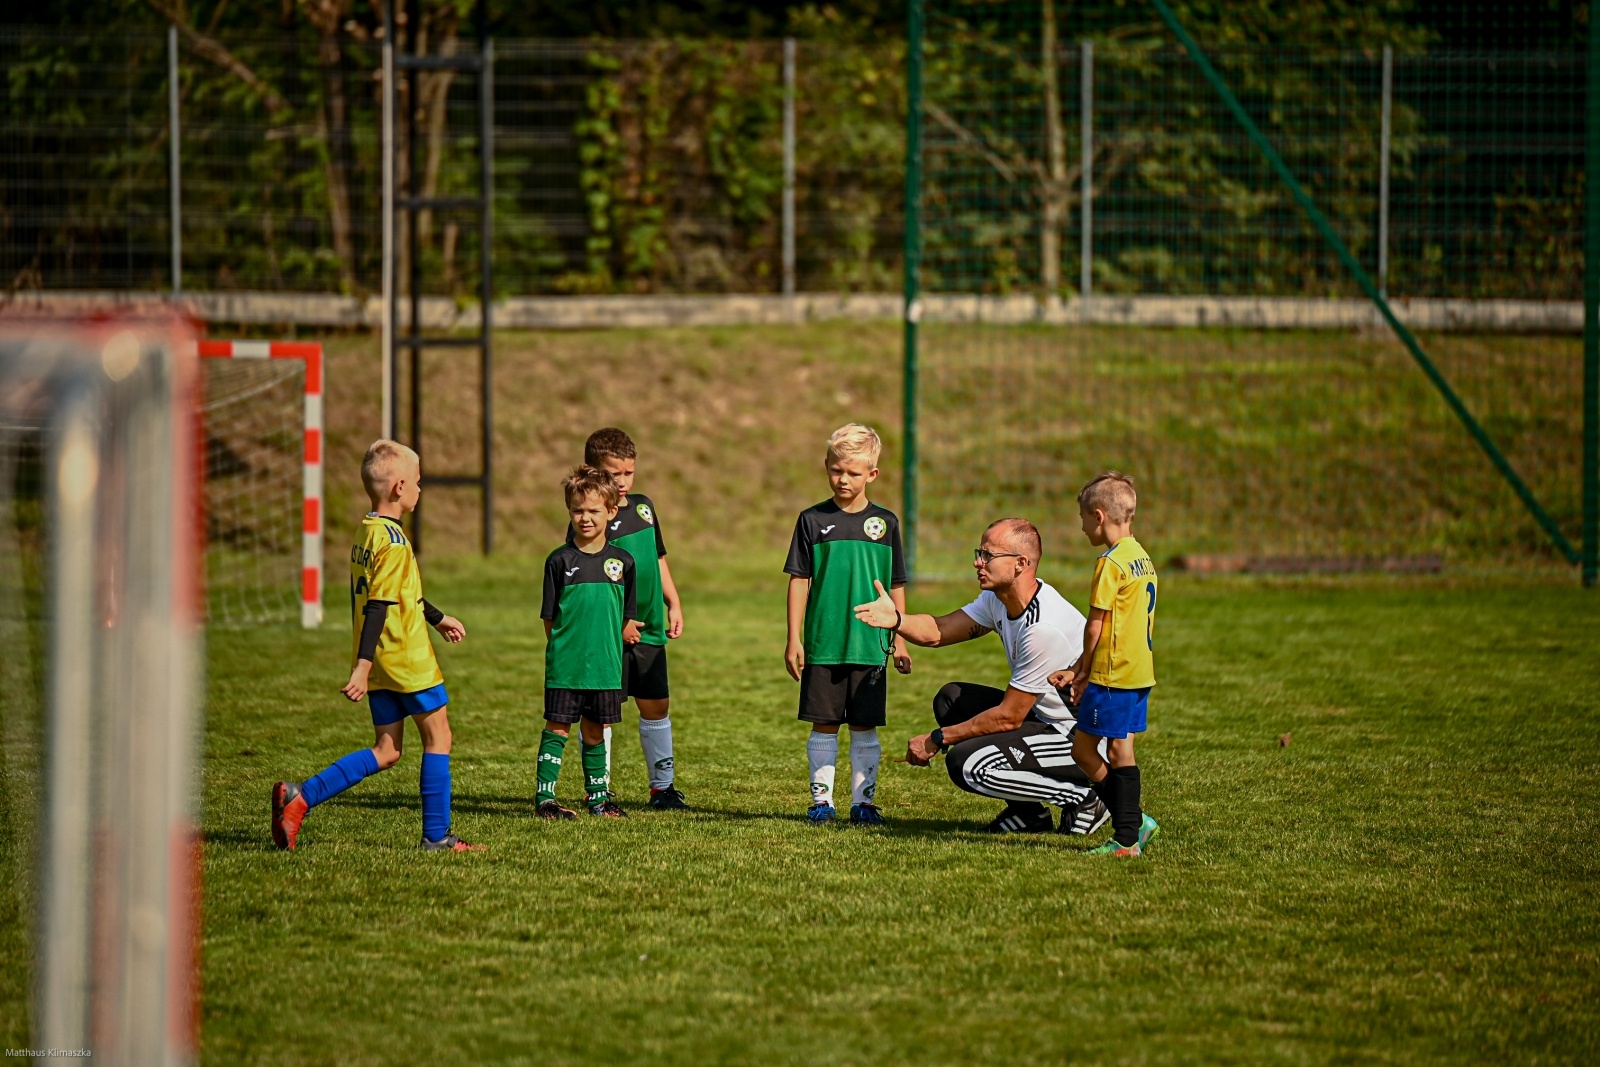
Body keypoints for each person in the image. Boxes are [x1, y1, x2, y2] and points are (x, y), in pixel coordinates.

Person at [271, 439, 484, 852]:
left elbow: (397, 594)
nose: (421, 490)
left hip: (383, 662)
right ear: (400, 487)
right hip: (405, 658)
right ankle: (437, 837)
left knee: (387, 750)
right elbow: (380, 605)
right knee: (439, 738)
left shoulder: (366, 532)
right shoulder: (396, 542)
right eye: (418, 483)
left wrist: (437, 619)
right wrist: (362, 668)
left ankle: (301, 797)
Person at [851, 517, 1108, 836]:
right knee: (952, 699)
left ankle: (1086, 798)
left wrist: (938, 739)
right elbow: (939, 631)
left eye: (988, 555)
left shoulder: (1043, 628)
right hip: (1046, 722)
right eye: (979, 552)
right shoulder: (998, 599)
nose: (977, 562)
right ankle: (1029, 816)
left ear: (1020, 564)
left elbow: (1008, 718)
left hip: (1084, 738)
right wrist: (897, 620)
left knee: (968, 763)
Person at [784, 424, 911, 825]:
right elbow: (799, 581)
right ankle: (822, 802)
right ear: (826, 466)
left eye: (853, 473)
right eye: (837, 470)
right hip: (824, 642)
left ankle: (863, 803)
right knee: (824, 722)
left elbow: (895, 585)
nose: (843, 479)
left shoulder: (886, 524)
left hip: (870, 644)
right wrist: (793, 639)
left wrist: (901, 639)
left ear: (872, 475)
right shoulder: (811, 520)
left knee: (863, 724)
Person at [573, 428, 688, 809]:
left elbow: (657, 558)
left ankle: (663, 788)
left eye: (629, 473)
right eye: (613, 473)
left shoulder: (643, 508)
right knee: (601, 713)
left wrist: (673, 601)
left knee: (656, 706)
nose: (622, 483)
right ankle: (599, 791)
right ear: (591, 471)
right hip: (611, 633)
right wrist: (618, 621)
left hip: (651, 628)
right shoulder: (592, 521)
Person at [1048, 472, 1161, 857]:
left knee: (1083, 751)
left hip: (1113, 675)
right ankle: (1132, 829)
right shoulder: (1141, 558)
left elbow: (1095, 624)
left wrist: (1082, 672)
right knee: (1121, 752)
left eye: (1082, 518)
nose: (1081, 527)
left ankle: (1129, 831)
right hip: (1139, 671)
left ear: (1098, 516)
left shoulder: (1111, 563)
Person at [537, 466, 637, 819]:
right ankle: (545, 800)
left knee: (596, 730)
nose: (585, 518)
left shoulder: (622, 562)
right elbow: (550, 619)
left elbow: (625, 616)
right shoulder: (559, 561)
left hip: (606, 667)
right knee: (558, 728)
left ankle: (598, 799)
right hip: (568, 665)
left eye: (594, 511)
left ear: (611, 511)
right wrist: (566, 650)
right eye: (578, 510)